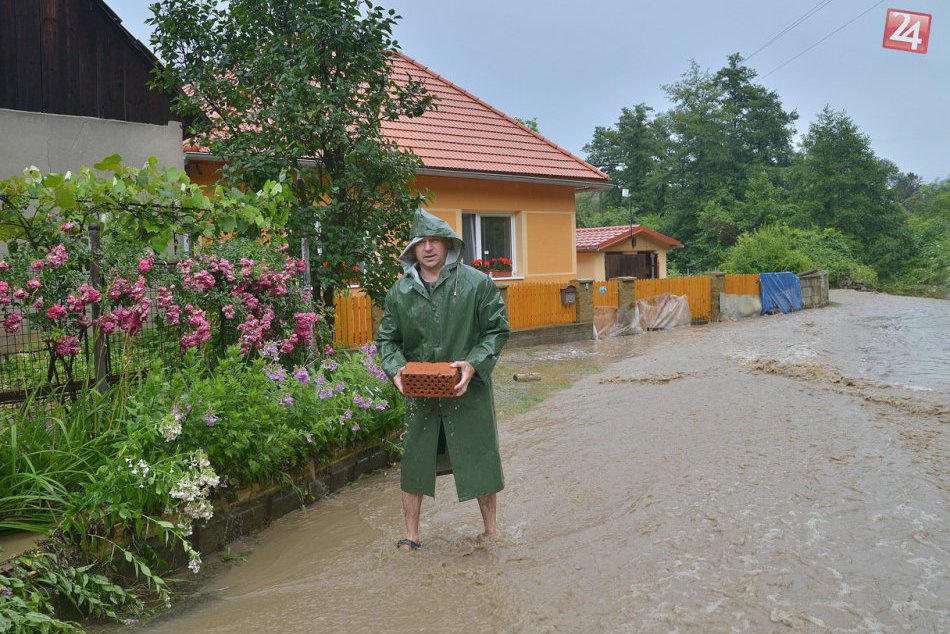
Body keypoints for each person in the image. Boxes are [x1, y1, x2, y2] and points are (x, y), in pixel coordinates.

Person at [378, 209, 510, 552]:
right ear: (413, 250)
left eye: (435, 240)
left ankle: (491, 532)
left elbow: (496, 330)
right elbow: (387, 341)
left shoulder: (476, 284)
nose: (429, 247)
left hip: (469, 390)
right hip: (421, 395)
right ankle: (412, 535)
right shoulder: (400, 292)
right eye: (421, 242)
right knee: (414, 461)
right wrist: (396, 369)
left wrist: (474, 363)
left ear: (449, 245)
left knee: (480, 456)